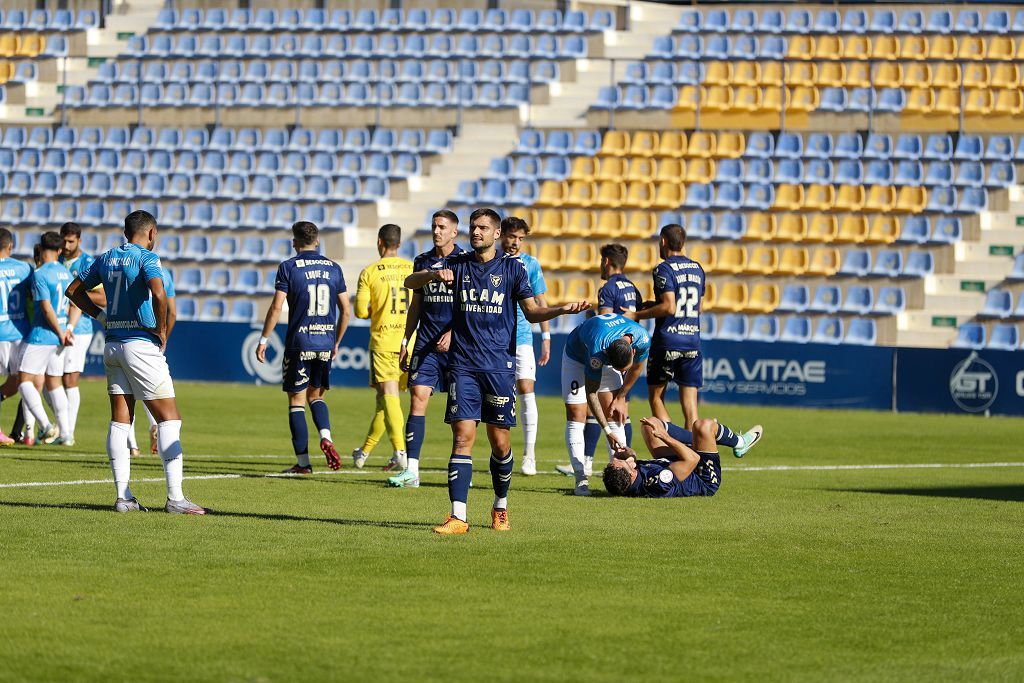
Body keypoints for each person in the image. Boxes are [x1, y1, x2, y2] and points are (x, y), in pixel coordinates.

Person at [405, 208, 589, 534]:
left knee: (500, 443)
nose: (476, 232)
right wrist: (434, 276)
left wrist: (562, 308)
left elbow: (532, 313)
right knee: (462, 436)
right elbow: (410, 281)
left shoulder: (512, 270)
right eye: (474, 227)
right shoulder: (456, 264)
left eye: (483, 228)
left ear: (496, 233)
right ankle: (458, 517)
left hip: (499, 368)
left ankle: (500, 505)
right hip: (463, 365)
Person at [66, 209, 207, 513]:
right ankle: (175, 498)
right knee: (170, 418)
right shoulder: (147, 258)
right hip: (140, 345)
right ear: (151, 233)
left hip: (113, 345)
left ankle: (123, 497)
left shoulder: (104, 258)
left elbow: (73, 291)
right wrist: (162, 329)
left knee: (120, 420)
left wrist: (102, 316)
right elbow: (159, 293)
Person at [633, 224, 760, 457]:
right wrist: (656, 306)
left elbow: (669, 307)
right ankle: (699, 453)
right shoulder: (698, 268)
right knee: (691, 409)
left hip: (668, 341)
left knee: (656, 397)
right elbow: (698, 307)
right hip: (692, 341)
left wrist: (637, 314)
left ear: (663, 242)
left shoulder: (663, 269)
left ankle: (673, 454)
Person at [256, 221, 351, 474]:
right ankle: (326, 435)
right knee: (316, 396)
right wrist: (337, 341)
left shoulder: (288, 267)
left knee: (296, 401)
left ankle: (303, 463)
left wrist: (264, 339)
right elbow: (346, 311)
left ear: (294, 243)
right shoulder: (334, 268)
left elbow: (277, 307)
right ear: (317, 241)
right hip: (324, 342)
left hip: (299, 343)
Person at [390, 209, 462, 488]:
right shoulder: (423, 262)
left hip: (459, 346)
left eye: (443, 227)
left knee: (460, 412)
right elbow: (415, 302)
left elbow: (472, 306)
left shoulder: (464, 261)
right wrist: (405, 341)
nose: (437, 231)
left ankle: (460, 466)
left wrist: (454, 333)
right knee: (417, 397)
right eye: (434, 226)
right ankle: (412, 471)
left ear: (454, 232)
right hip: (427, 345)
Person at [561, 313, 650, 496]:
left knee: (615, 411)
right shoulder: (597, 351)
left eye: (622, 370)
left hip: (609, 351)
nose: (621, 373)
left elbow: (637, 368)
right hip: (577, 356)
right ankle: (581, 478)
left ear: (633, 351)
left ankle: (623, 478)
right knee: (577, 414)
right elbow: (591, 393)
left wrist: (622, 397)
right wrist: (607, 432)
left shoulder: (642, 338)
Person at [350, 224, 413, 471]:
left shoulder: (370, 272)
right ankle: (364, 452)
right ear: (398, 243)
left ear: (379, 242)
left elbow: (360, 311)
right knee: (384, 400)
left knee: (389, 396)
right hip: (410, 342)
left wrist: (378, 307)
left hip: (385, 340)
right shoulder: (412, 268)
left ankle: (400, 452)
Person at [499, 216, 550, 476]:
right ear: (501, 235)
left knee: (526, 390)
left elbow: (541, 302)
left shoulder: (530, 264)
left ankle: (529, 455)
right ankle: (499, 452)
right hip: (494, 340)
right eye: (512, 237)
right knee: (495, 395)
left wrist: (546, 338)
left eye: (521, 239)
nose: (516, 243)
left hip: (522, 339)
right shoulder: (492, 262)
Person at [18, 231, 74, 446]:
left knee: (24, 381)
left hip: (43, 334)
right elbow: (73, 304)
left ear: (40, 249)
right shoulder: (66, 273)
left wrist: (60, 332)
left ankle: (46, 426)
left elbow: (46, 308)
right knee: (54, 383)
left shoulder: (40, 274)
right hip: (61, 335)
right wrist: (67, 329)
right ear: (60, 251)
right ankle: (67, 434)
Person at [601, 417, 726, 498]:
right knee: (703, 425)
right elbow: (693, 459)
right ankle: (738, 442)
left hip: (675, 462)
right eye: (619, 462)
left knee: (649, 426)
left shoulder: (630, 480)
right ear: (631, 473)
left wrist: (630, 455)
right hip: (701, 476)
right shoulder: (658, 482)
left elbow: (633, 465)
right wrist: (664, 437)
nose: (615, 459)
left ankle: (703, 440)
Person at [126, 265, 175, 457]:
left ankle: (132, 446)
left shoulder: (121, 265)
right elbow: (173, 313)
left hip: (124, 336)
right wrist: (163, 336)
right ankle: (156, 425)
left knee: (125, 399)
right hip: (151, 342)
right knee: (152, 391)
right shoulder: (164, 274)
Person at [58, 222, 100, 446]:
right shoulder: (56, 260)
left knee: (69, 379)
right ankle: (61, 426)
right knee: (51, 380)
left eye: (70, 241)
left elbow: (102, 297)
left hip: (80, 328)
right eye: (63, 240)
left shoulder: (88, 263)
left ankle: (68, 432)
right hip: (55, 327)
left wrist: (74, 300)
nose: (66, 245)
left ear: (79, 241)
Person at [0, 228, 32, 445]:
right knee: (23, 380)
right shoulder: (24, 269)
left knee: (21, 381)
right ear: (10, 246)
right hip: (20, 333)